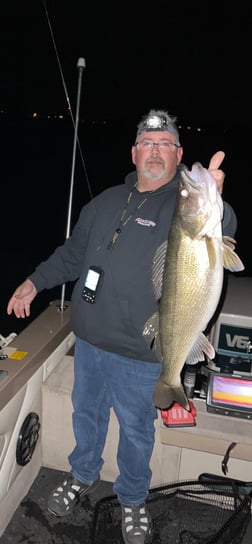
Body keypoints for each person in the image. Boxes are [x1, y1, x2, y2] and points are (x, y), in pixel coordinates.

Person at [7, 109, 238, 544]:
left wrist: (217, 201)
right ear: (133, 152)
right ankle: (82, 474)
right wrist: (33, 282)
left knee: (136, 431)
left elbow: (221, 229)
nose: (155, 151)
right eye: (147, 143)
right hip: (90, 344)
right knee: (86, 417)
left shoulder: (182, 204)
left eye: (165, 144)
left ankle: (132, 499)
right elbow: (73, 254)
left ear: (178, 154)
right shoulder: (105, 201)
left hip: (142, 353)